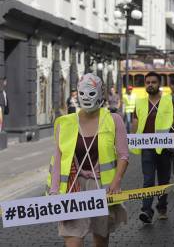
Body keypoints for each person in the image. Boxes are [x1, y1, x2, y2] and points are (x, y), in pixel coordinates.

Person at [47, 73, 129, 246]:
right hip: (73, 188)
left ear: (100, 93)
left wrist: (116, 182)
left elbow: (123, 155)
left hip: (101, 188)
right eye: (82, 93)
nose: (86, 97)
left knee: (100, 240)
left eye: (91, 93)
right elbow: (58, 159)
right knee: (73, 242)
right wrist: (54, 192)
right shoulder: (65, 123)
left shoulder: (114, 120)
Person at [132, 72, 174, 223]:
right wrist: (134, 138)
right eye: (147, 82)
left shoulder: (168, 101)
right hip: (147, 148)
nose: (150, 85)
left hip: (164, 148)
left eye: (153, 82)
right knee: (148, 180)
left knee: (164, 180)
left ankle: (162, 207)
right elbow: (135, 122)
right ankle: (146, 210)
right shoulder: (139, 102)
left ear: (159, 84)